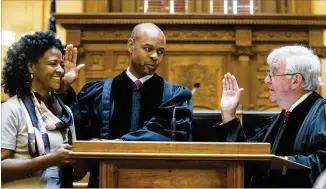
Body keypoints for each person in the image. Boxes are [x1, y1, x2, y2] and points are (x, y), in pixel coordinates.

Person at [59, 23, 193, 187]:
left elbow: (168, 132)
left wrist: (113, 145)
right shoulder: (98, 92)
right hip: (105, 182)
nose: (155, 56)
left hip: (157, 182)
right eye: (148, 48)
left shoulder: (175, 95)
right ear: (130, 45)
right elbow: (76, 128)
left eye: (160, 51)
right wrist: (64, 89)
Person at [215, 45, 326, 187]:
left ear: (296, 80)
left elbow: (322, 166)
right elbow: (249, 157)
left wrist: (284, 161)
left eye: (272, 74)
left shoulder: (322, 114)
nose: (266, 80)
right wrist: (229, 113)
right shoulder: (281, 117)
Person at [1, 31, 85, 188]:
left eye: (61, 64)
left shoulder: (64, 113)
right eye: (53, 64)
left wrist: (88, 155)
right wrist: (49, 160)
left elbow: (77, 175)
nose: (60, 70)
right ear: (31, 67)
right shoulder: (11, 110)